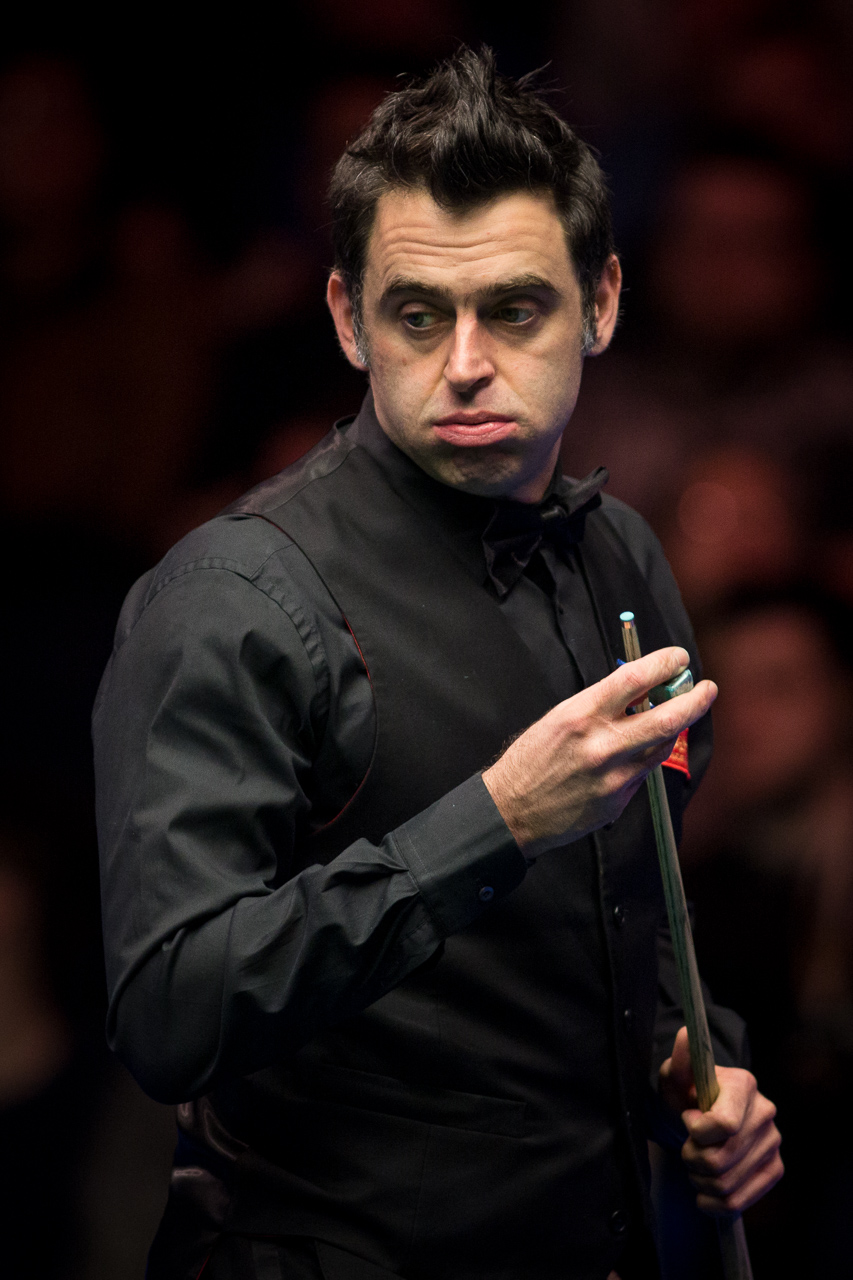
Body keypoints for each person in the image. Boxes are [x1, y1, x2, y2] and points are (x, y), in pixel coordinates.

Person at [93, 49, 782, 1280]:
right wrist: (497, 818)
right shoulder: (234, 597)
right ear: (347, 318)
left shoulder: (619, 554)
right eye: (418, 314)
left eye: (515, 309)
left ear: (602, 303)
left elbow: (631, 912)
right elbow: (170, 1008)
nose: (465, 361)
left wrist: (698, 1062)